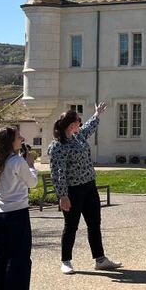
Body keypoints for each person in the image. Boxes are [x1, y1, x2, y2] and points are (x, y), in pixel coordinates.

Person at [48, 103, 122, 274]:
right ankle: (66, 261)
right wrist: (62, 195)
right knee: (71, 226)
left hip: (89, 186)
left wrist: (97, 114)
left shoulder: (78, 136)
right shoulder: (58, 146)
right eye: (78, 121)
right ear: (71, 124)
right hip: (73, 191)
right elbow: (57, 172)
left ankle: (100, 259)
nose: (81, 124)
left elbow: (89, 127)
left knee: (94, 223)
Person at [0, 126, 38, 290]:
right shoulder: (17, 161)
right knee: (19, 255)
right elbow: (32, 182)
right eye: (18, 137)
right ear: (10, 141)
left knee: (0, 254)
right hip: (18, 212)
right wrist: (31, 166)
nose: (22, 139)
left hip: (0, 213)